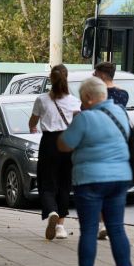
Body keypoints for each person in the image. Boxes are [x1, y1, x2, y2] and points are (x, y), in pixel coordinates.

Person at [57, 76, 134, 266]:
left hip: (90, 180)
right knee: (117, 228)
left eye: (82, 99)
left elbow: (64, 144)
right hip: (120, 178)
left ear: (89, 98)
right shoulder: (120, 113)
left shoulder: (84, 118)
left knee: (89, 231)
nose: (81, 104)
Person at [29, 64, 80, 240]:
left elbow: (32, 122)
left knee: (47, 182)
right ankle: (60, 227)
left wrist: (33, 128)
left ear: (51, 79)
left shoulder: (42, 100)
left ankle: (51, 212)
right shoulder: (74, 101)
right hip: (68, 143)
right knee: (65, 183)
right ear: (66, 79)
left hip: (49, 143)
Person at [92, 61, 128, 240]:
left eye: (95, 73)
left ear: (102, 75)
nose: (93, 76)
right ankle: (111, 224)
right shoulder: (123, 94)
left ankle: (100, 224)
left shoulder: (97, 96)